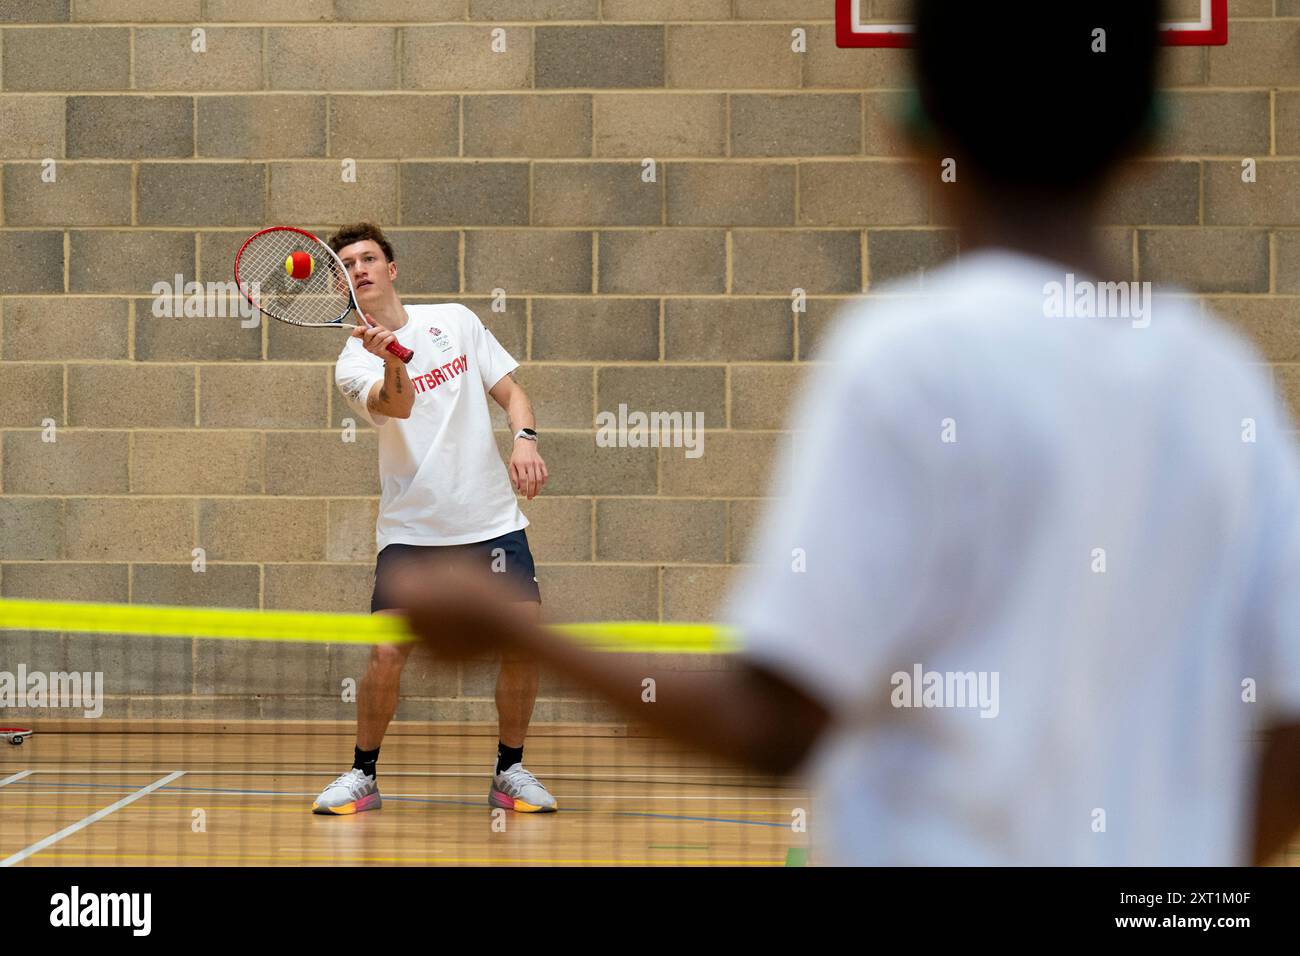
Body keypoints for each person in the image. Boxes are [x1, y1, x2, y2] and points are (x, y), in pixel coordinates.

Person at [389, 2, 1300, 864]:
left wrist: (524, 635)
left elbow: (776, 723)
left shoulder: (907, 357)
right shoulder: (1226, 382)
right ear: (1152, 143)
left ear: (910, 137)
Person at [311, 221, 557, 815]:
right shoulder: (352, 362)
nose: (360, 268)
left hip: (491, 524)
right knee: (387, 655)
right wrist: (394, 359)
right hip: (413, 532)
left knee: (522, 646)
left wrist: (523, 439)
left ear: (391, 270)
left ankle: (511, 770)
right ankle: (362, 774)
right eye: (347, 265)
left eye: (369, 258)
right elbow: (398, 404)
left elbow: (512, 392)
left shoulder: (456, 320)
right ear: (342, 285)